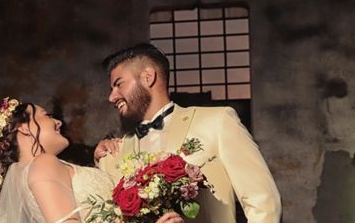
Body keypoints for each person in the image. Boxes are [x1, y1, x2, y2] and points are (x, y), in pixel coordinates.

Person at [94, 43, 282, 223]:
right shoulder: (112, 153)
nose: (112, 97)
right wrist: (98, 161)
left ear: (148, 77)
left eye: (119, 84)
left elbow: (263, 203)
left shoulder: (218, 121)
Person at [0, 97, 185, 223]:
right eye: (46, 115)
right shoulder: (43, 164)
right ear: (24, 128)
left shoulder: (35, 172)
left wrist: (101, 161)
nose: (58, 121)